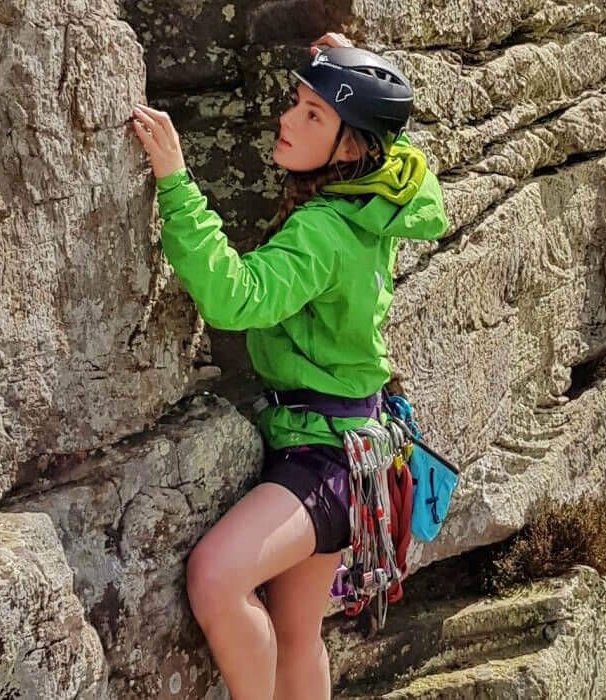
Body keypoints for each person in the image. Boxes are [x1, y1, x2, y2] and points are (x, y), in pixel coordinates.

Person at [129, 33, 449, 700]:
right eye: (295, 102)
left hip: (324, 460)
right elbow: (409, 159)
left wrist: (177, 186)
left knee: (217, 578)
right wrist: (352, 65)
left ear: (352, 147)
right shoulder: (385, 198)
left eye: (313, 116)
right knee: (298, 631)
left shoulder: (324, 232)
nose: (286, 118)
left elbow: (235, 297)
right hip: (353, 446)